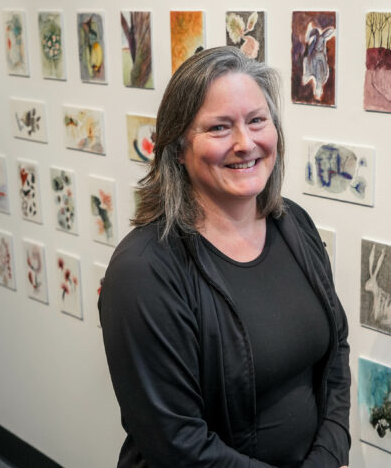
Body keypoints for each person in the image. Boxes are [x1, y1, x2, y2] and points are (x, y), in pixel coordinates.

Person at [100, 46, 350, 467]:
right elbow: (178, 444)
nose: (244, 143)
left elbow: (336, 353)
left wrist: (329, 455)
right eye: (219, 128)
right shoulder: (143, 271)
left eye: (257, 121)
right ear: (177, 148)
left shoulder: (295, 225)